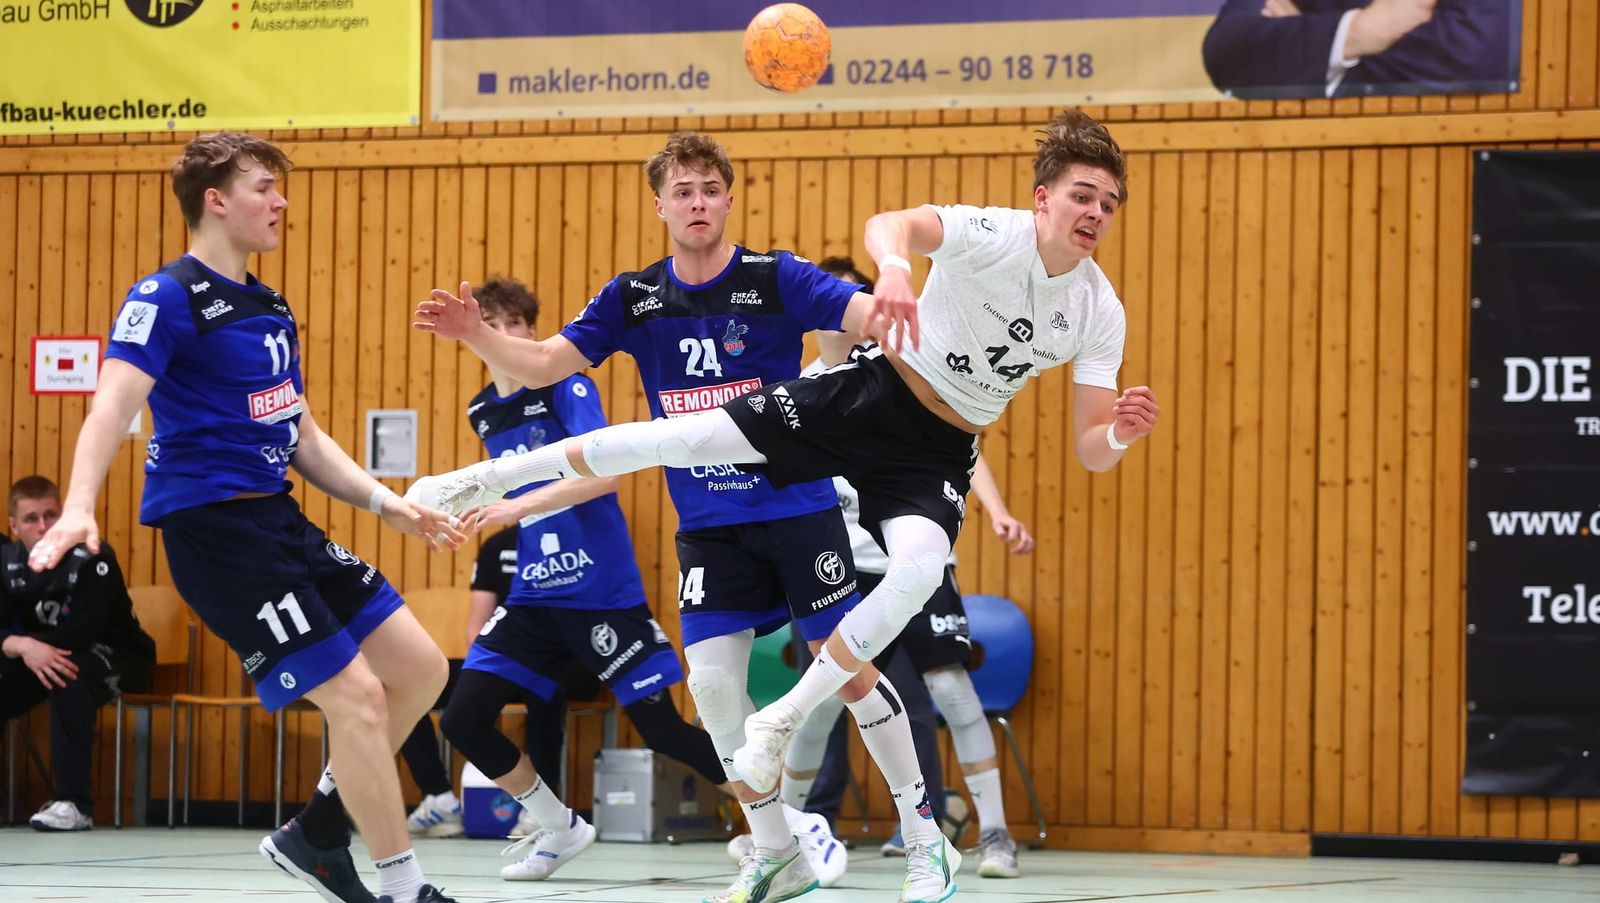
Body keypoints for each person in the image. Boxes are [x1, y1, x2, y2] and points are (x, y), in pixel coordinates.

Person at [414, 109, 1161, 901]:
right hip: (860, 405)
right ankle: (482, 480)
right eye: (1083, 196)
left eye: (1108, 205)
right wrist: (897, 266)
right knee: (677, 449)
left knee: (915, 572)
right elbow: (890, 226)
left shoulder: (1094, 307)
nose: (1095, 214)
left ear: (730, 201)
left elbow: (1089, 448)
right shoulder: (990, 230)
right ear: (1043, 197)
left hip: (925, 456)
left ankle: (905, 824)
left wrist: (1117, 435)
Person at [28, 132, 466, 903]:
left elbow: (299, 430)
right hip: (215, 533)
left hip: (279, 519)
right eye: (265, 186)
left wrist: (386, 502)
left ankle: (318, 834)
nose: (281, 201)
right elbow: (112, 405)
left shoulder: (268, 303)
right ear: (216, 201)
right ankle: (404, 887)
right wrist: (77, 508)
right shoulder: (163, 296)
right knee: (358, 697)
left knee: (421, 668)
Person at [435, 275, 732, 882]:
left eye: (517, 324)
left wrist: (519, 505)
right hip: (534, 594)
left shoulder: (565, 385)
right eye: (494, 324)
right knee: (463, 718)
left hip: (599, 589)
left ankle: (782, 819)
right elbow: (499, 480)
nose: (507, 335)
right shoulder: (482, 410)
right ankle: (558, 824)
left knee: (664, 730)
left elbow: (603, 476)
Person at [1, 476, 155, 832]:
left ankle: (73, 803)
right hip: (41, 655)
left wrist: (29, 647)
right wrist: (22, 645)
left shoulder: (93, 556)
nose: (43, 527)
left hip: (117, 657)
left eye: (51, 515)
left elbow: (78, 634)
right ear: (13, 526)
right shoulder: (6, 564)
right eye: (31, 519)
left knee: (66, 671)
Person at [1201, 0, 1514, 99]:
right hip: (1322, 184)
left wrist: (1330, 71)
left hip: (1462, 183)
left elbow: (1480, 56)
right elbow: (1228, 49)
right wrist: (1355, 32)